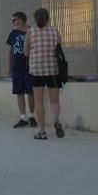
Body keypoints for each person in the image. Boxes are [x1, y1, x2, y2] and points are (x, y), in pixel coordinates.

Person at [25, 7, 64, 140]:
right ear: (48, 18)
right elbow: (59, 48)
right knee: (54, 100)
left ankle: (42, 131)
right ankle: (56, 120)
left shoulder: (30, 32)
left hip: (36, 71)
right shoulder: (55, 31)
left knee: (39, 102)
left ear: (35, 19)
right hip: (53, 70)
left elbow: (26, 52)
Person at [8, 12, 37, 128]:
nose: (13, 22)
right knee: (19, 91)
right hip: (16, 66)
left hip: (30, 65)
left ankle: (32, 116)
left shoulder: (32, 31)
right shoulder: (13, 33)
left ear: (21, 20)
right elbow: (11, 51)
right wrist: (9, 67)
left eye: (14, 19)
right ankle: (23, 117)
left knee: (30, 91)